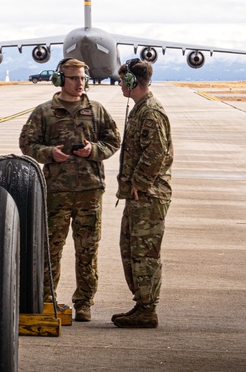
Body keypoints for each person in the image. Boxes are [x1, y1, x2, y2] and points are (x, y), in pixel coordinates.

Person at [19, 58, 120, 323]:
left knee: (87, 251)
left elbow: (113, 141)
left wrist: (93, 151)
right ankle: (46, 299)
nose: (80, 83)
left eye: (83, 78)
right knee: (51, 250)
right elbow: (27, 144)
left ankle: (84, 303)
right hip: (57, 192)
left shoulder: (96, 110)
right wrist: (49, 153)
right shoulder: (44, 112)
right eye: (74, 78)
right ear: (60, 79)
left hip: (90, 192)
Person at [112, 58, 173, 328]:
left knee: (144, 253)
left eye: (122, 79)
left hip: (148, 195)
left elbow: (157, 151)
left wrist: (140, 181)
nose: (120, 84)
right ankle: (141, 304)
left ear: (131, 82)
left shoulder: (150, 112)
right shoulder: (140, 109)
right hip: (139, 194)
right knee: (131, 249)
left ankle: (147, 309)